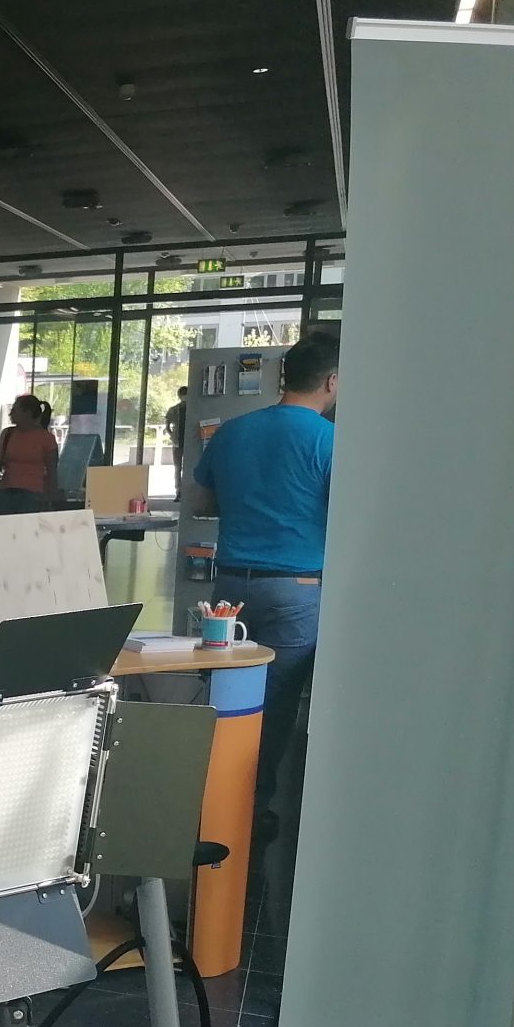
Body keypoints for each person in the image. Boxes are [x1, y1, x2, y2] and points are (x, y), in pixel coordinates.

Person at [193, 331, 339, 832]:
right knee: (273, 706)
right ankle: (249, 811)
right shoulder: (329, 440)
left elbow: (200, 504)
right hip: (296, 590)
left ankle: (207, 797)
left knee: (227, 695)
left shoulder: (232, 432)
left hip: (229, 587)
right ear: (332, 380)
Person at [0, 394, 59, 513]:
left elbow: (52, 471)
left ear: (27, 413)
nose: (10, 413)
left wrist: (51, 498)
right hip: (6, 491)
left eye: (14, 410)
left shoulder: (46, 438)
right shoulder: (8, 433)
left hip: (33, 495)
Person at [165, 385, 190, 471]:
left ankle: (180, 483)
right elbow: (167, 427)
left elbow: (167, 426)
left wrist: (172, 435)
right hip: (178, 441)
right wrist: (173, 436)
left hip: (185, 440)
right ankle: (178, 484)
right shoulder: (173, 410)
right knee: (178, 466)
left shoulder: (193, 409)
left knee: (181, 466)